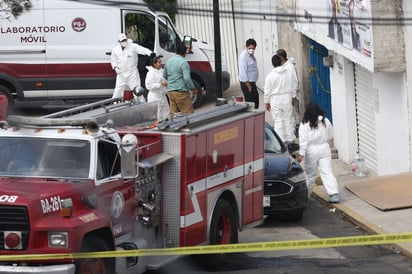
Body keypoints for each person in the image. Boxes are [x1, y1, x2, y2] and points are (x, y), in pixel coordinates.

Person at [297, 103, 340, 203]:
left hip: (311, 150)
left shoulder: (304, 124)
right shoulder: (325, 121)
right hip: (324, 148)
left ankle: (305, 196)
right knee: (327, 171)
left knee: (310, 175)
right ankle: (334, 194)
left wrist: (301, 155)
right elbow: (331, 135)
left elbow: (303, 142)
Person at [111, 33, 154, 101]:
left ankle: (141, 106)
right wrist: (115, 67)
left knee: (137, 92)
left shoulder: (132, 46)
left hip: (132, 73)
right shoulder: (115, 49)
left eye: (125, 40)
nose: (124, 42)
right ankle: (113, 107)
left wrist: (150, 53)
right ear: (119, 42)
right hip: (121, 74)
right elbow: (113, 60)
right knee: (117, 92)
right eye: (122, 41)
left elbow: (142, 49)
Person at [264, 54, 296, 144]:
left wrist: (267, 102)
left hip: (275, 99)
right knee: (288, 119)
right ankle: (290, 140)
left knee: (278, 121)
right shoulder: (288, 73)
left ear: (272, 64)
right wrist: (293, 97)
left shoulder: (270, 76)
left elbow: (267, 91)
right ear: (281, 62)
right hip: (287, 98)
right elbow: (294, 85)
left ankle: (281, 141)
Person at [163, 43, 197, 116]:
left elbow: (165, 75)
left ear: (176, 51)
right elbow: (187, 78)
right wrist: (193, 88)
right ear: (185, 53)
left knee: (172, 113)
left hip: (171, 91)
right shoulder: (184, 62)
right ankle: (190, 127)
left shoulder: (168, 61)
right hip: (181, 92)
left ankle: (170, 125)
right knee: (188, 113)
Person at [276, 48, 298, 140]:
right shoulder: (282, 67)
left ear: (281, 57)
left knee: (289, 119)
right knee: (284, 119)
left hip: (289, 96)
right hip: (283, 96)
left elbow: (294, 82)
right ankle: (284, 137)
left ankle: (291, 138)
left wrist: (293, 96)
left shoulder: (289, 67)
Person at [145, 55, 169, 121]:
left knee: (166, 114)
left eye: (161, 62)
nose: (161, 63)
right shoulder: (150, 73)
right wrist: (160, 84)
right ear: (154, 64)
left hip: (162, 96)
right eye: (159, 62)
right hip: (155, 97)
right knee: (157, 116)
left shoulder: (161, 71)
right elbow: (149, 86)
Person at [238, 38, 259, 109]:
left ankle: (256, 117)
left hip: (252, 83)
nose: (251, 50)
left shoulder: (251, 55)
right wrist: (249, 86)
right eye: (250, 48)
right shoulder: (243, 57)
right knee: (250, 104)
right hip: (247, 83)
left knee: (256, 102)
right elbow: (242, 73)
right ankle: (251, 118)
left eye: (253, 48)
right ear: (246, 47)